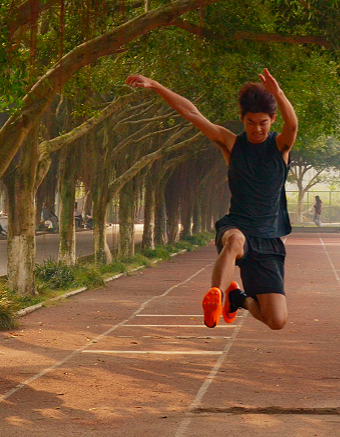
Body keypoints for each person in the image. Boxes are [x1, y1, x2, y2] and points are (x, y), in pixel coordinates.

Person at [126, 69, 296, 330]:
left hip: (269, 238)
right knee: (235, 240)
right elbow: (192, 113)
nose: (257, 128)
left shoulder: (280, 146)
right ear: (242, 120)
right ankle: (216, 296)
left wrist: (279, 94)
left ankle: (238, 298)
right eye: (250, 122)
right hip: (237, 225)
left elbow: (292, 125)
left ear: (272, 119)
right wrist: (156, 85)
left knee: (276, 320)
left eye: (263, 122)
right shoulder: (232, 143)